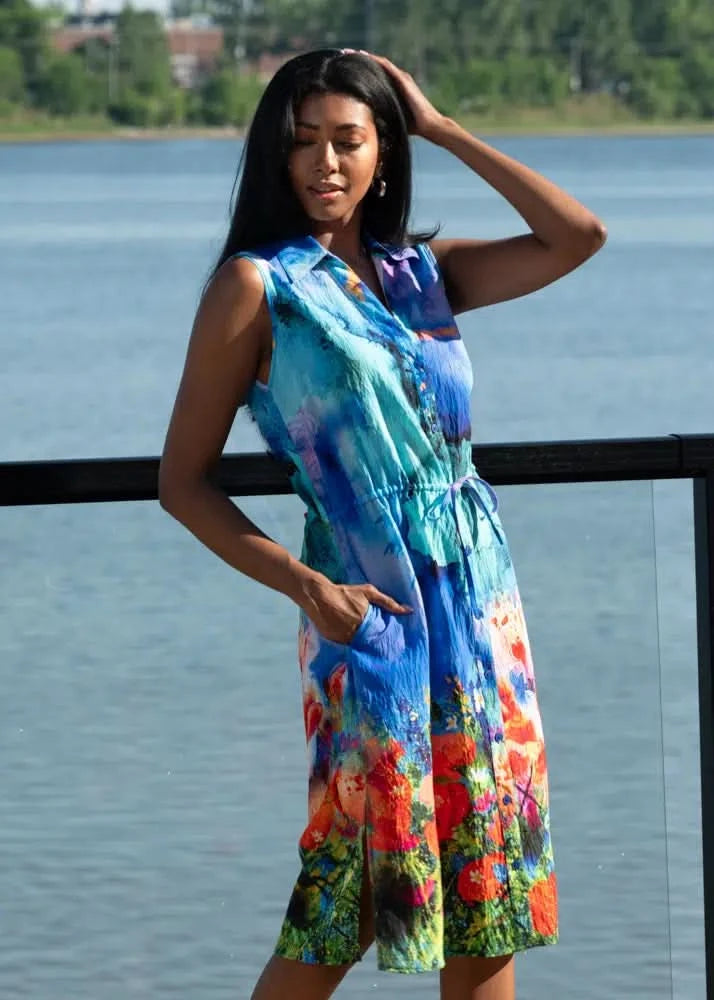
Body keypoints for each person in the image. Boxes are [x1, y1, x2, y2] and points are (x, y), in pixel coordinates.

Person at [158, 48, 606, 1000]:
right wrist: (304, 586)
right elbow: (183, 481)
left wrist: (440, 126)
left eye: (347, 141)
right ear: (274, 160)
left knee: (491, 887)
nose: (324, 163)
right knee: (348, 898)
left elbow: (577, 237)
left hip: (481, 611)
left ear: (383, 156)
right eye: (302, 143)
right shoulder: (258, 288)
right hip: (368, 610)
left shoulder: (421, 275)